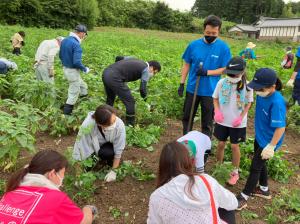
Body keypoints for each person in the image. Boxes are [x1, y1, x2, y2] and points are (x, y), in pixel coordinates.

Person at [147, 141, 238, 224]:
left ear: (162, 167)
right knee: (226, 206)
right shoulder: (206, 180)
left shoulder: (157, 196)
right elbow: (233, 203)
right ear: (190, 161)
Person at [0, 150, 97, 223]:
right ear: (52, 174)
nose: (63, 178)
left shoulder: (10, 192)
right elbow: (82, 221)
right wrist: (88, 209)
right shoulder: (55, 198)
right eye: (63, 173)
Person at [236, 68, 286, 210]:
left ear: (272, 87)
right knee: (261, 164)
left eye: (260, 88)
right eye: (256, 88)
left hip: (270, 141)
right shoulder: (262, 93)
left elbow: (280, 128)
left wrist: (271, 146)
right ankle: (264, 189)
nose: (257, 91)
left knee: (255, 167)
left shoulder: (277, 102)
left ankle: (244, 197)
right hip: (260, 135)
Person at [178, 15, 231, 136]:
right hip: (192, 88)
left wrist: (208, 72)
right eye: (208, 32)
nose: (211, 35)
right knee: (187, 117)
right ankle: (186, 141)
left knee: (207, 122)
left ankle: (206, 149)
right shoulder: (193, 45)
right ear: (203, 30)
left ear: (219, 31)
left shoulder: (223, 48)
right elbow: (186, 64)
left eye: (214, 33)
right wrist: (182, 83)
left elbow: (226, 69)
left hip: (211, 91)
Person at [213, 57, 253, 185]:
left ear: (242, 71)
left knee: (235, 146)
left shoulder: (248, 86)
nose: (232, 76)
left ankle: (235, 171)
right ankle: (218, 167)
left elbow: (249, 103)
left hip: (237, 122)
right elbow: (215, 98)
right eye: (230, 73)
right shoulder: (222, 83)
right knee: (220, 144)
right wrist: (217, 112)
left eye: (235, 74)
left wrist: (241, 117)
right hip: (222, 120)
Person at [73, 104, 126, 182]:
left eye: (115, 119)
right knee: (87, 167)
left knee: (108, 153)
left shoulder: (119, 125)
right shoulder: (88, 126)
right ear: (100, 124)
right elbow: (79, 147)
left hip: (107, 146)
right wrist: (78, 176)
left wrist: (114, 171)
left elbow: (119, 148)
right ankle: (96, 159)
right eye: (111, 123)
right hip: (92, 147)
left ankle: (106, 161)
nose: (115, 123)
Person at [102, 58, 161, 126]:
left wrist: (118, 70)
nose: (153, 74)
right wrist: (146, 100)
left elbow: (119, 58)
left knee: (110, 100)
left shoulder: (135, 59)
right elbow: (142, 88)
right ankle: (130, 125)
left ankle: (104, 119)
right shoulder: (146, 70)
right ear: (151, 67)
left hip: (106, 73)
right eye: (154, 72)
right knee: (130, 102)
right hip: (115, 78)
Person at [59, 24, 90, 115]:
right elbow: (76, 62)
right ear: (81, 33)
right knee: (73, 92)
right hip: (72, 71)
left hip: (65, 68)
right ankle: (66, 114)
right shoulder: (76, 45)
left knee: (83, 86)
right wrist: (85, 69)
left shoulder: (65, 40)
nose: (84, 37)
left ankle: (83, 102)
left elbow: (60, 55)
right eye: (84, 35)